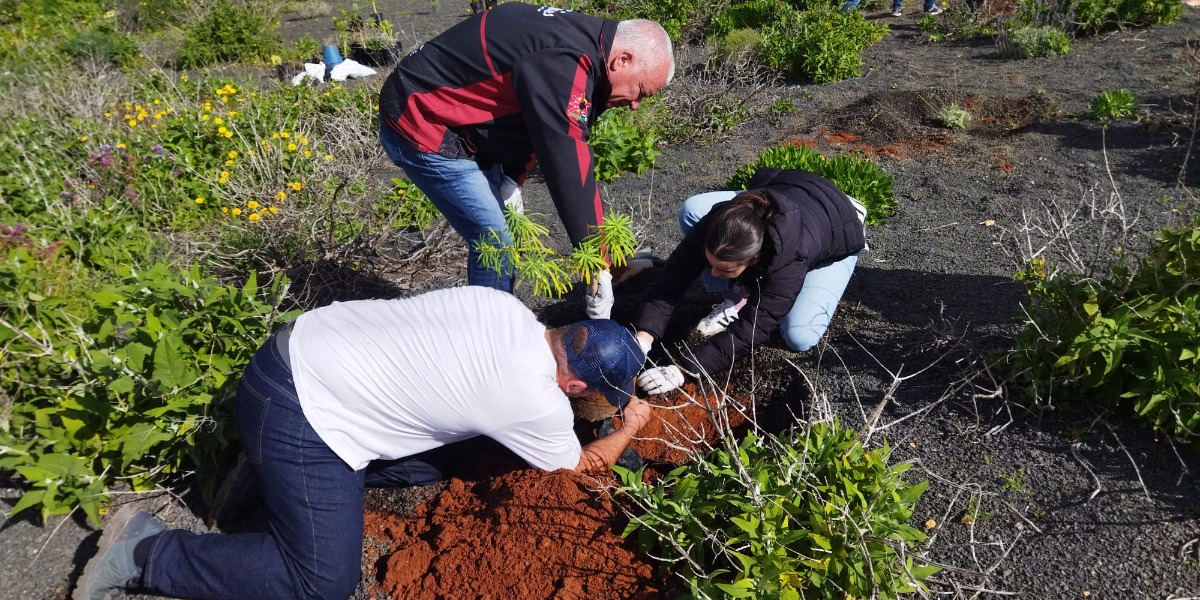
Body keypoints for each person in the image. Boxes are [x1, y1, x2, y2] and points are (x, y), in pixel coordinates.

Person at [73, 286, 650, 600]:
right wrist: (629, 426)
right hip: (299, 410)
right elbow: (576, 466)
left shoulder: (505, 308)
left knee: (438, 462)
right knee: (321, 581)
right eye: (589, 395)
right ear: (573, 385)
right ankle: (144, 552)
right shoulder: (533, 398)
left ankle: (268, 475)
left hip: (292, 352)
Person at [378, 2, 675, 319]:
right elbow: (567, 162)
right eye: (642, 91)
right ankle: (488, 337)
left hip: (462, 124)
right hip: (421, 118)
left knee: (506, 229)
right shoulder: (564, 60)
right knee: (495, 241)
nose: (635, 105)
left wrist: (510, 179)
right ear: (623, 60)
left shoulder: (586, 48)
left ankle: (500, 314)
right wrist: (595, 262)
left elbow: (534, 124)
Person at [633, 168, 867, 395]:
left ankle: (855, 210)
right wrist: (644, 338)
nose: (712, 273)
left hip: (839, 223)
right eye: (710, 262)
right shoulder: (720, 224)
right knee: (691, 210)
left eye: (724, 269)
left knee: (800, 336)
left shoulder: (792, 259)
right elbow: (673, 276)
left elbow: (754, 329)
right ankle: (738, 295)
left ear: (754, 259)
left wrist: (684, 370)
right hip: (792, 188)